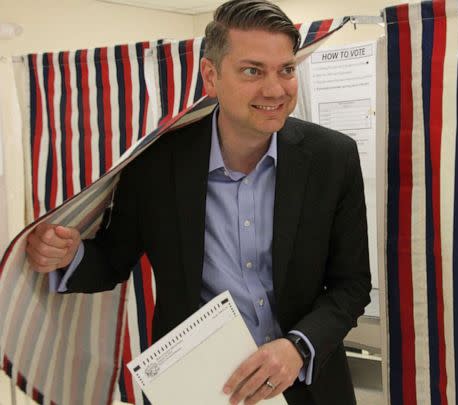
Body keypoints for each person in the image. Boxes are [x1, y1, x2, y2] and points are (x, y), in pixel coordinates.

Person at [25, 1, 371, 404]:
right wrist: (67, 254)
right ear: (211, 75)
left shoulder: (333, 158)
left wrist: (297, 347)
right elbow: (112, 260)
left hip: (307, 387)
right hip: (195, 387)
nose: (275, 90)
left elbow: (351, 285)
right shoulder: (156, 162)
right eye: (252, 71)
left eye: (286, 70)